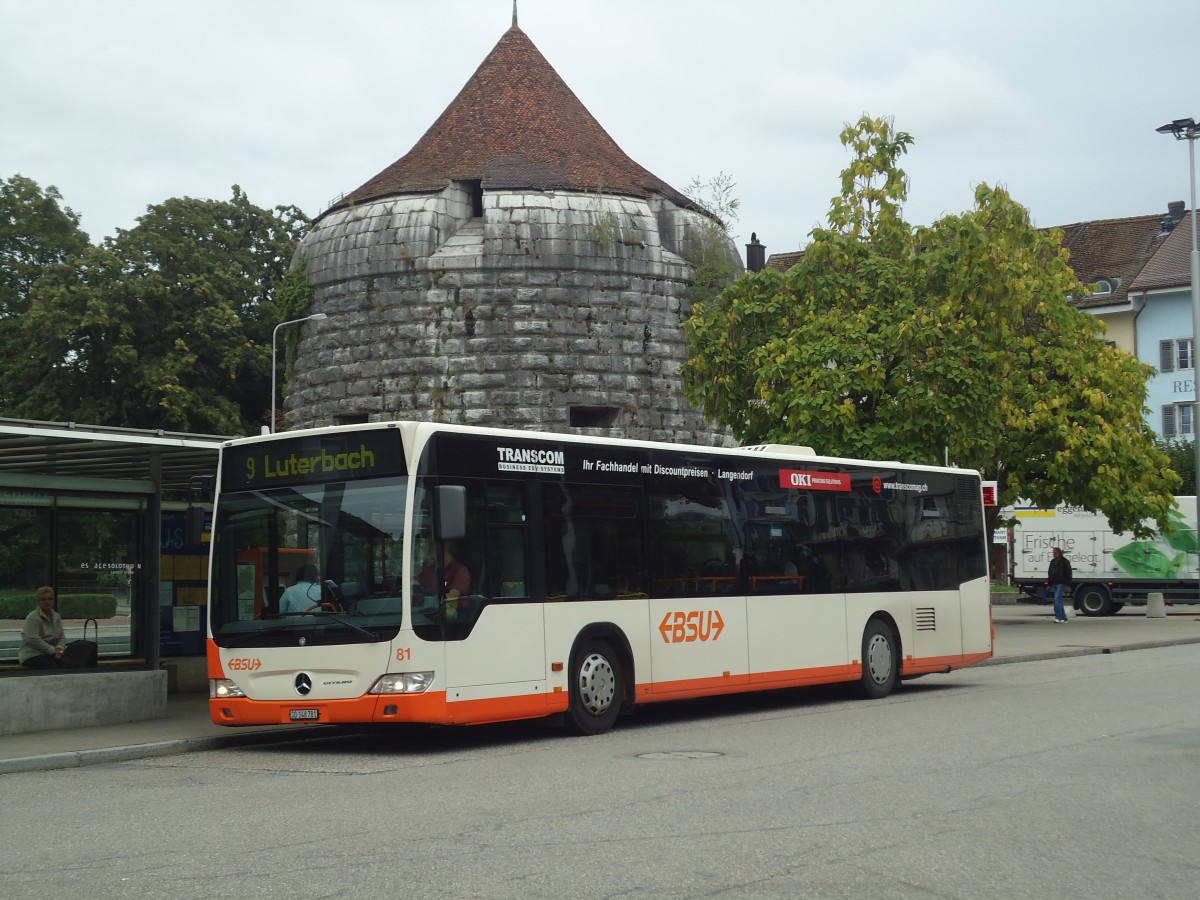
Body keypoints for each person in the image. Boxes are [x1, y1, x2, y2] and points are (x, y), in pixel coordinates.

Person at [416, 543, 472, 620]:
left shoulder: (460, 571)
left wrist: (432, 601)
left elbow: (452, 596)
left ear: (443, 550)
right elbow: (415, 582)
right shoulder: (431, 570)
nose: (428, 555)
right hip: (432, 610)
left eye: (430, 550)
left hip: (454, 616)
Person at [20, 586, 66, 669]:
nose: (47, 601)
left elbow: (62, 637)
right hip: (33, 654)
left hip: (52, 654)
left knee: (70, 666)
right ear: (38, 602)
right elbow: (32, 639)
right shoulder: (32, 617)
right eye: (43, 599)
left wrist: (59, 649)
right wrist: (53, 651)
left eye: (50, 599)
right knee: (54, 669)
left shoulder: (56, 616)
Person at [1047, 546, 1072, 623]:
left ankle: (1058, 617)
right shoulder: (1052, 562)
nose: (1054, 554)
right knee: (1058, 601)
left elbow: (1069, 572)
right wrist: (1049, 583)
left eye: (1055, 552)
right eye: (1053, 552)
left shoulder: (1065, 561)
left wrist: (1068, 584)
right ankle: (1064, 618)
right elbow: (1050, 572)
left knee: (1057, 599)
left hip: (1062, 583)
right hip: (1054, 583)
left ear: (1059, 553)